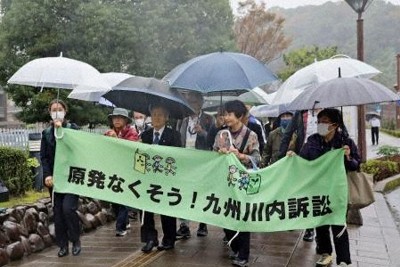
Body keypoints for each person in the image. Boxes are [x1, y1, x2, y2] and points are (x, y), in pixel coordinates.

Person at [287, 108, 360, 267]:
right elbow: (303, 162)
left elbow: (356, 165)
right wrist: (294, 158)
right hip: (317, 191)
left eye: (325, 122)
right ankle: (325, 254)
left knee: (338, 224)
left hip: (338, 191)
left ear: (335, 124)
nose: (321, 125)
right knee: (321, 223)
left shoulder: (345, 142)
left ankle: (343, 259)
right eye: (319, 122)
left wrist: (347, 156)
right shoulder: (312, 141)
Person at [213, 100, 260, 267]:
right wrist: (220, 153)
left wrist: (241, 156)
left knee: (243, 217)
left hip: (243, 182)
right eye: (225, 114)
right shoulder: (221, 135)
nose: (226, 117)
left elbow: (257, 159)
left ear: (239, 116)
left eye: (229, 114)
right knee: (226, 215)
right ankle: (234, 245)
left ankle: (243, 254)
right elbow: (212, 156)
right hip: (225, 182)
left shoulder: (251, 135)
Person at [40, 99, 81, 257]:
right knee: (58, 213)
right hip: (55, 181)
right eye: (53, 109)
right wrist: (47, 175)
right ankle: (62, 245)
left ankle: (76, 240)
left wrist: (63, 132)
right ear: (50, 113)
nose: (57, 112)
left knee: (68, 209)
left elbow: (78, 149)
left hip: (71, 178)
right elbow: (43, 157)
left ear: (65, 111)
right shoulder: (47, 133)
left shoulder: (73, 128)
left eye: (60, 109)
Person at [140, 103, 182, 253]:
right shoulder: (145, 135)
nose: (156, 118)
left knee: (166, 209)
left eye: (160, 115)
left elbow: (178, 157)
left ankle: (169, 238)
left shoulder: (174, 135)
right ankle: (150, 238)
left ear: (166, 117)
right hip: (148, 178)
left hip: (166, 178)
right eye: (154, 114)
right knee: (145, 209)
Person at [175, 91, 215, 238]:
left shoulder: (209, 119)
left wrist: (203, 132)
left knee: (202, 192)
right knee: (184, 192)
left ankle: (202, 224)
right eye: (188, 102)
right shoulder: (183, 120)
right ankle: (184, 225)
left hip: (202, 161)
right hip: (185, 161)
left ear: (200, 103)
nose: (190, 104)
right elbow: (179, 138)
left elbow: (213, 141)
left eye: (193, 102)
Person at [105, 108, 139, 236]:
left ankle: (120, 227)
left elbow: (130, 149)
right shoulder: (108, 133)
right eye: (115, 118)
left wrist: (117, 140)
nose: (117, 120)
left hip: (126, 171)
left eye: (120, 117)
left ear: (125, 120)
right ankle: (125, 221)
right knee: (113, 200)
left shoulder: (132, 133)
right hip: (113, 171)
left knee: (122, 198)